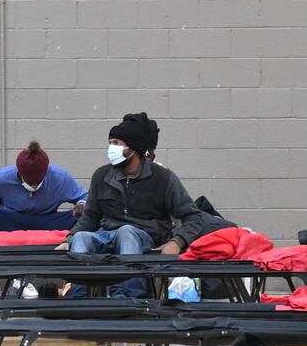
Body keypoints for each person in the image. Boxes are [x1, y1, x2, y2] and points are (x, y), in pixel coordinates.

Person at [56, 112, 204, 299]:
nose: (112, 148)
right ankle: (77, 299)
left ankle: (129, 297)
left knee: (126, 232)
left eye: (117, 143)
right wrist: (69, 239)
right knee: (82, 238)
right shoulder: (101, 176)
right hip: (107, 235)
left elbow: (193, 216)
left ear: (134, 148)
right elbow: (90, 217)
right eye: (110, 142)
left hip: (146, 239)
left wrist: (177, 242)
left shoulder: (163, 178)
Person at [0, 141, 88, 232]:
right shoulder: (1, 178)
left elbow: (84, 196)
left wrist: (81, 204)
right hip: (13, 220)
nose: (34, 186)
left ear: (46, 173)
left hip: (47, 221)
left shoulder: (59, 177)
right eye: (30, 182)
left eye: (38, 181)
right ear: (20, 173)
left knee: (85, 215)